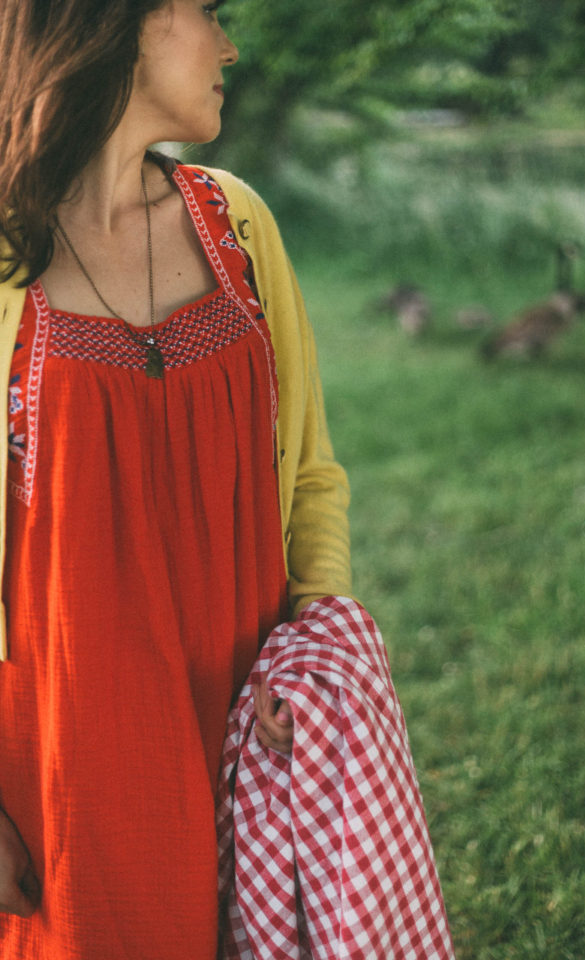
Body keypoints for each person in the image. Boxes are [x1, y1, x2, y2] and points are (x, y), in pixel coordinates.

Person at [0, 1, 353, 956]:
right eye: (211, 11)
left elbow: (312, 472)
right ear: (116, 23)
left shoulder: (237, 222)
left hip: (257, 711)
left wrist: (314, 660)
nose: (230, 44)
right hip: (80, 737)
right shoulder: (3, 261)